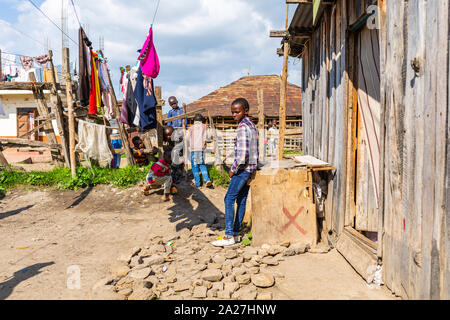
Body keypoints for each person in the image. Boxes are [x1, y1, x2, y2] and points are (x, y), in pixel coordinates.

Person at [212, 98, 258, 247]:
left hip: (242, 169)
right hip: (250, 168)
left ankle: (229, 235)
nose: (234, 115)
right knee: (241, 199)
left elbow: (244, 153)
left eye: (237, 112)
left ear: (246, 111)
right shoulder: (252, 126)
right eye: (232, 112)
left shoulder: (243, 127)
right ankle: (237, 233)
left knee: (229, 199)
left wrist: (233, 169)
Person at [188, 113, 212, 188]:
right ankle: (207, 179)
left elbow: (187, 138)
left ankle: (198, 184)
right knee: (202, 165)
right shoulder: (205, 127)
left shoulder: (191, 128)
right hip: (201, 149)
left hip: (194, 149)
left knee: (195, 167)